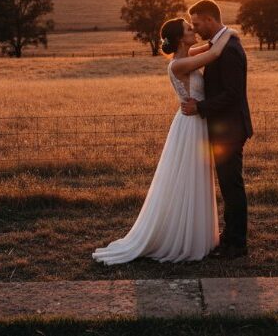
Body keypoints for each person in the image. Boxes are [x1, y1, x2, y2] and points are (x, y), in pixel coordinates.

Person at [92, 16, 238, 264]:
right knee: (188, 177)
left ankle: (194, 234)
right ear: (181, 37)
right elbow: (213, 55)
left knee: (195, 177)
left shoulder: (187, 56)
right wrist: (229, 31)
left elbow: (211, 48)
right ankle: (182, 238)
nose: (193, 30)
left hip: (196, 122)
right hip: (191, 125)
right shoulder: (178, 65)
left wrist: (221, 35)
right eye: (189, 29)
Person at [181, 0, 253, 259]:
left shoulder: (230, 48)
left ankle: (236, 244)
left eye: (198, 23)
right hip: (224, 127)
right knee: (228, 184)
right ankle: (231, 236)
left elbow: (233, 94)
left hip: (230, 128)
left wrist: (200, 107)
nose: (195, 28)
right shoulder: (218, 44)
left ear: (210, 20)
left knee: (231, 185)